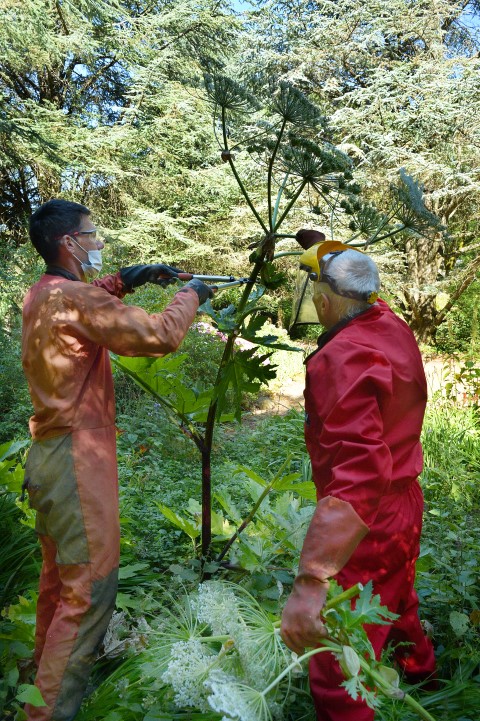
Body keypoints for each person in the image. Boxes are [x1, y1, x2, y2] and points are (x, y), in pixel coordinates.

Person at [21, 198, 213, 721]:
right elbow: (158, 335)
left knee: (58, 583)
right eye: (91, 233)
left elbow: (82, 303)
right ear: (69, 243)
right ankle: (47, 715)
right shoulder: (74, 299)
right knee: (88, 590)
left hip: (46, 459)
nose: (97, 240)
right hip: (76, 462)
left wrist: (127, 278)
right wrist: (190, 295)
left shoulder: (42, 294)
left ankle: (33, 688)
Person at [281, 230, 436, 721]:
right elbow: (352, 279)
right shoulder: (386, 321)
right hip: (405, 502)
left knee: (336, 644)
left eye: (315, 296)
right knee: (396, 597)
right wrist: (322, 248)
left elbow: (358, 476)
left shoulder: (340, 358)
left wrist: (313, 579)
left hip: (369, 517)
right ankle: (422, 673)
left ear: (324, 302)